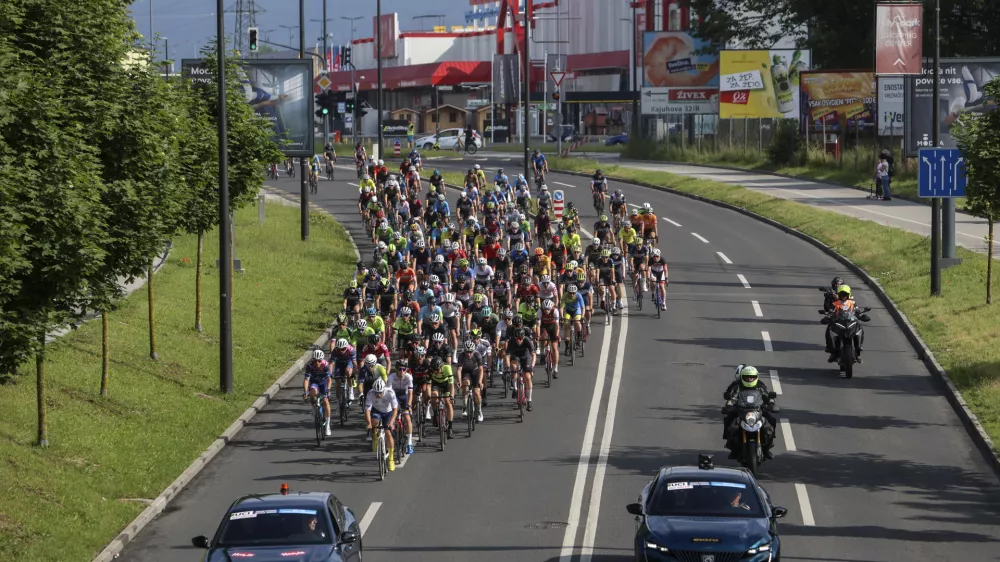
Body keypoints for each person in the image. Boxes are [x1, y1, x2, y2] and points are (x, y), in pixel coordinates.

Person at [722, 365, 776, 459]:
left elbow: (767, 395)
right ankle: (731, 446)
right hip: (741, 410)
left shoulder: (760, 385)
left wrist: (771, 403)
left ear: (756, 377)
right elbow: (732, 397)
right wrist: (729, 405)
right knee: (729, 420)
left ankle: (767, 448)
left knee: (771, 420)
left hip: (758, 410)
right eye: (747, 377)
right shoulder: (737, 386)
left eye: (752, 377)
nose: (750, 379)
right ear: (742, 377)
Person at [364, 378, 399, 472]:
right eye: (376, 392)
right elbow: (367, 410)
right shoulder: (370, 393)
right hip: (377, 411)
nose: (378, 395)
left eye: (380, 392)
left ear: (384, 389)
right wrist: (369, 423)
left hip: (388, 412)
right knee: (374, 422)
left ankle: (391, 459)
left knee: (388, 433)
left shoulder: (390, 393)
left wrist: (391, 422)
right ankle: (375, 436)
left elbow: (395, 409)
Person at [824, 284, 865, 363]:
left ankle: (858, 349)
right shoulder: (835, 303)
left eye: (845, 294)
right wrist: (827, 317)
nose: (844, 296)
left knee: (860, 328)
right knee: (829, 328)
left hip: (851, 321)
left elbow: (857, 311)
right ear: (839, 294)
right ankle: (831, 350)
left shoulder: (852, 302)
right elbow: (831, 311)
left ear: (849, 294)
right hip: (838, 321)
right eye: (842, 294)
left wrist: (862, 315)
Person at [302, 350, 332, 436]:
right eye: (315, 361)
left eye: (319, 361)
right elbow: (306, 380)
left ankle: (328, 425)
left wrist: (328, 389)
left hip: (323, 383)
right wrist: (305, 392)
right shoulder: (309, 366)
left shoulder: (325, 365)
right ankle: (314, 408)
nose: (317, 363)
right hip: (314, 382)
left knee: (326, 401)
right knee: (312, 394)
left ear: (322, 360)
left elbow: (329, 379)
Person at [387, 360, 414, 454]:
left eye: (404, 369)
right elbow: (389, 393)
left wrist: (409, 405)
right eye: (400, 369)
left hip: (404, 396)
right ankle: (394, 429)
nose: (402, 371)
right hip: (394, 396)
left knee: (407, 417)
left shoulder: (409, 377)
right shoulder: (391, 377)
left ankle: (409, 443)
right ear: (396, 369)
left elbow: (410, 393)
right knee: (393, 415)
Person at [506, 328, 537, 411]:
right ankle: (515, 388)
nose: (518, 340)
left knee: (527, 377)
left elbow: (533, 355)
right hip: (515, 356)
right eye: (517, 339)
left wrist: (532, 367)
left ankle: (529, 400)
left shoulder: (527, 340)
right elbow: (507, 356)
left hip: (525, 356)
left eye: (520, 339)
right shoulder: (511, 341)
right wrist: (508, 368)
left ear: (523, 337)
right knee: (513, 367)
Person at [428, 356, 455, 438]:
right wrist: (429, 397)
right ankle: (435, 413)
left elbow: (451, 385)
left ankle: (450, 427)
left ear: (442, 366)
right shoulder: (430, 370)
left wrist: (452, 396)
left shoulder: (447, 368)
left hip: (445, 384)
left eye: (437, 370)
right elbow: (428, 385)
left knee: (448, 402)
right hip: (435, 383)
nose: (436, 372)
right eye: (434, 370)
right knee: (434, 396)